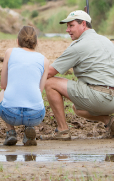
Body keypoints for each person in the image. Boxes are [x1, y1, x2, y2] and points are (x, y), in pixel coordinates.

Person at [42, 10, 114, 141]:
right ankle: (108, 120)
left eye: (71, 25)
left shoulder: (78, 46)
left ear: (83, 24)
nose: (67, 30)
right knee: (77, 108)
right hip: (112, 98)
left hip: (99, 98)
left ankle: (62, 130)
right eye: (67, 26)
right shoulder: (107, 41)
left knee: (50, 83)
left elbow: (50, 72)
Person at [0, 26, 49, 146]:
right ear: (36, 43)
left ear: (17, 41)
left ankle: (11, 132)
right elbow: (40, 90)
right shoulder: (44, 60)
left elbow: (3, 84)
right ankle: (28, 130)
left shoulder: (10, 52)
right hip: (35, 115)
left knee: (2, 93)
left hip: (10, 114)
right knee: (33, 96)